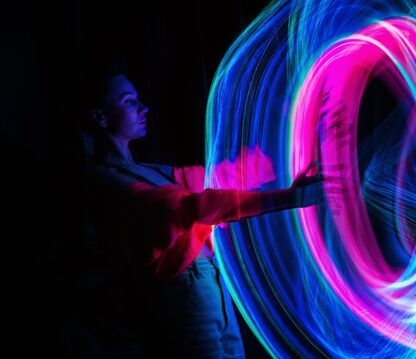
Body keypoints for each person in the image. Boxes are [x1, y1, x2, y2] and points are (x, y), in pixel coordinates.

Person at [80, 73, 324, 359]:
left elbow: (228, 175)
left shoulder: (155, 172)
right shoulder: (102, 179)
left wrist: (289, 121)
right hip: (179, 295)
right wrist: (290, 198)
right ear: (101, 118)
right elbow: (189, 208)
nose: (144, 109)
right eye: (129, 102)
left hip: (210, 286)